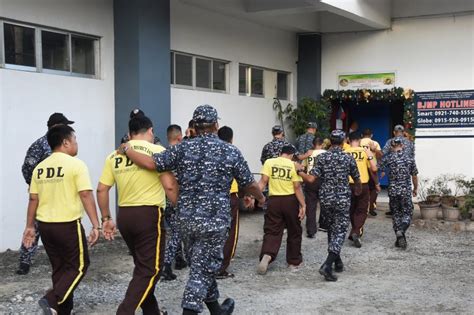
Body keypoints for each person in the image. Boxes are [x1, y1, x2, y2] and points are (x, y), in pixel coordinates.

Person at [119, 104, 265, 315]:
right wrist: (259, 196)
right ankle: (190, 310)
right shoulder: (230, 151)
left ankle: (216, 310)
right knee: (201, 269)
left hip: (186, 220)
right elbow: (248, 185)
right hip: (214, 222)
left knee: (200, 264)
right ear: (216, 125)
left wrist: (127, 148)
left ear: (194, 127)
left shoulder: (181, 148)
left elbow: (151, 163)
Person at [97, 115, 178, 314]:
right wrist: (181, 207)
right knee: (151, 269)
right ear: (150, 130)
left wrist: (106, 218)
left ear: (131, 132)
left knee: (143, 267)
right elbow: (169, 186)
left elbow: (101, 190)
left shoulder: (114, 155)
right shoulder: (158, 150)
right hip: (148, 215)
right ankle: (125, 311)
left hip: (124, 216)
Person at [22, 125, 100, 315]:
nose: (76, 144)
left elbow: (33, 199)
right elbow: (86, 194)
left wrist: (30, 227)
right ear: (65, 142)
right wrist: (96, 224)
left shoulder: (39, 168)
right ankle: (51, 300)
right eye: (75, 140)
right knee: (80, 266)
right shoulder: (76, 164)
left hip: (46, 226)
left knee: (60, 268)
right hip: (68, 225)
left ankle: (61, 311)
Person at [297, 130, 360, 282]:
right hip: (342, 199)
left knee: (332, 229)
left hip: (326, 199)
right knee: (340, 231)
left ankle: (337, 261)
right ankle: (327, 264)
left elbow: (311, 179)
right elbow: (357, 179)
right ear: (344, 140)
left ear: (330, 142)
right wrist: (359, 190)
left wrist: (300, 171)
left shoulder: (322, 157)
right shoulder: (348, 158)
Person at [17, 112, 74, 275]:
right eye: (64, 125)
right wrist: (35, 185)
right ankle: (25, 261)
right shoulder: (40, 144)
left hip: (61, 192)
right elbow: (27, 167)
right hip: (43, 194)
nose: (67, 129)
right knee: (34, 226)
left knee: (62, 224)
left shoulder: (65, 144)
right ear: (56, 126)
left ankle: (63, 259)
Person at [257, 145, 306, 275]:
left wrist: (253, 196)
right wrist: (303, 205)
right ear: (291, 155)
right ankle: (293, 261)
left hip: (273, 201)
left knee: (272, 230)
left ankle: (267, 254)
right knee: (294, 230)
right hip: (289, 201)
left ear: (280, 153)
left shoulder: (269, 162)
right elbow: (296, 187)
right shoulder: (293, 165)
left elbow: (263, 181)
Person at [378, 137, 418, 249]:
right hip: (405, 190)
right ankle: (401, 230)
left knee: (396, 214)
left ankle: (400, 238)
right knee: (407, 212)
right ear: (403, 145)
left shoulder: (388, 158)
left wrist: (382, 174)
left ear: (391, 147)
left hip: (393, 191)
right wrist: (415, 188)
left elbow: (379, 168)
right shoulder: (409, 159)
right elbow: (414, 176)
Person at [162, 124, 187, 281]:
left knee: (175, 230)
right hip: (178, 199)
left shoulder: (163, 154)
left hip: (164, 199)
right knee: (177, 233)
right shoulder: (181, 154)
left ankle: (179, 260)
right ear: (179, 137)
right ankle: (166, 264)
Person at [344, 132, 377, 248]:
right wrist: (370, 155)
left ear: (349, 140)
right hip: (362, 184)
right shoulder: (364, 152)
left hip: (348, 184)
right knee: (362, 210)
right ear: (359, 140)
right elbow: (374, 168)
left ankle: (355, 231)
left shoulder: (345, 153)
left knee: (351, 209)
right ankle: (356, 231)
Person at [216, 126, 240, 279]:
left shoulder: (211, 151)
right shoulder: (233, 152)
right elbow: (242, 176)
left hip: (213, 197)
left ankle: (209, 264)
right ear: (231, 138)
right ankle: (222, 268)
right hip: (230, 196)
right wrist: (249, 195)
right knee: (230, 233)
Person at [303, 137, 326, 238]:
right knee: (324, 203)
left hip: (310, 179)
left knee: (311, 205)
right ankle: (324, 225)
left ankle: (311, 230)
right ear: (322, 144)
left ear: (313, 144)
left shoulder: (309, 153)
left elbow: (304, 167)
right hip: (323, 179)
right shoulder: (326, 153)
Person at [361, 129, 382, 216]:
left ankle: (362, 207)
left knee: (362, 187)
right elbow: (380, 155)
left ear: (362, 135)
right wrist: (374, 150)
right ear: (371, 135)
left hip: (361, 167)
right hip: (371, 167)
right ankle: (371, 208)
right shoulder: (375, 143)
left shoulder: (358, 142)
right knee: (374, 188)